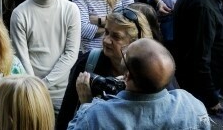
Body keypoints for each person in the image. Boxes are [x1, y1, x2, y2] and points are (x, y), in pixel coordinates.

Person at [68, 39, 210, 130]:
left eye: (126, 53)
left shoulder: (95, 116)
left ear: (127, 76)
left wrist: (86, 103)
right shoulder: (191, 105)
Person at [55, 7, 154, 128]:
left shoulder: (149, 69)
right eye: (106, 32)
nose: (106, 40)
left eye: (116, 37)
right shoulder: (89, 62)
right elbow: (66, 116)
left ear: (135, 42)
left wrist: (88, 104)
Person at [10, 0, 81, 112]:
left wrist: (45, 83)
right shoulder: (20, 13)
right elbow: (22, 57)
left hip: (62, 93)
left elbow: (71, 54)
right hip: (32, 93)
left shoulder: (70, 9)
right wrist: (35, 87)